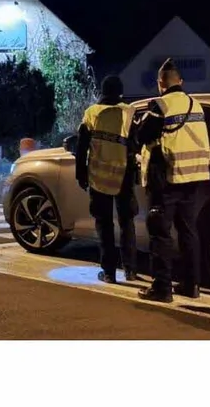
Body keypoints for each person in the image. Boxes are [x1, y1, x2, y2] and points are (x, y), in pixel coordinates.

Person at [135, 58, 210, 303]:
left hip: (167, 179)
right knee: (189, 232)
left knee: (160, 233)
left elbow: (142, 135)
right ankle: (191, 285)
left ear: (161, 84)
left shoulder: (160, 105)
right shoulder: (196, 105)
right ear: (182, 82)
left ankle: (162, 288)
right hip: (194, 176)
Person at [75, 74, 141, 284]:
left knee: (104, 224)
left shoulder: (92, 113)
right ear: (121, 92)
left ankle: (109, 272)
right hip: (124, 176)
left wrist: (81, 174)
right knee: (126, 222)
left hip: (98, 177)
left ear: (102, 92)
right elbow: (136, 144)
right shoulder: (129, 112)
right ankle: (130, 270)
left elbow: (81, 147)